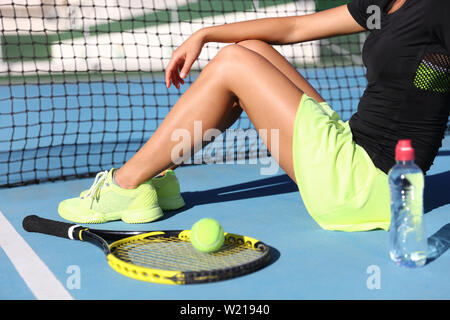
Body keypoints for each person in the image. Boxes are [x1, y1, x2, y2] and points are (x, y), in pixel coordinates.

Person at [58, 0, 450, 231]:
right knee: (249, 48)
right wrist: (207, 33)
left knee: (234, 63)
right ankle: (155, 180)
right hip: (353, 148)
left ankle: (125, 186)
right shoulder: (386, 3)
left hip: (367, 187)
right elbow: (297, 26)